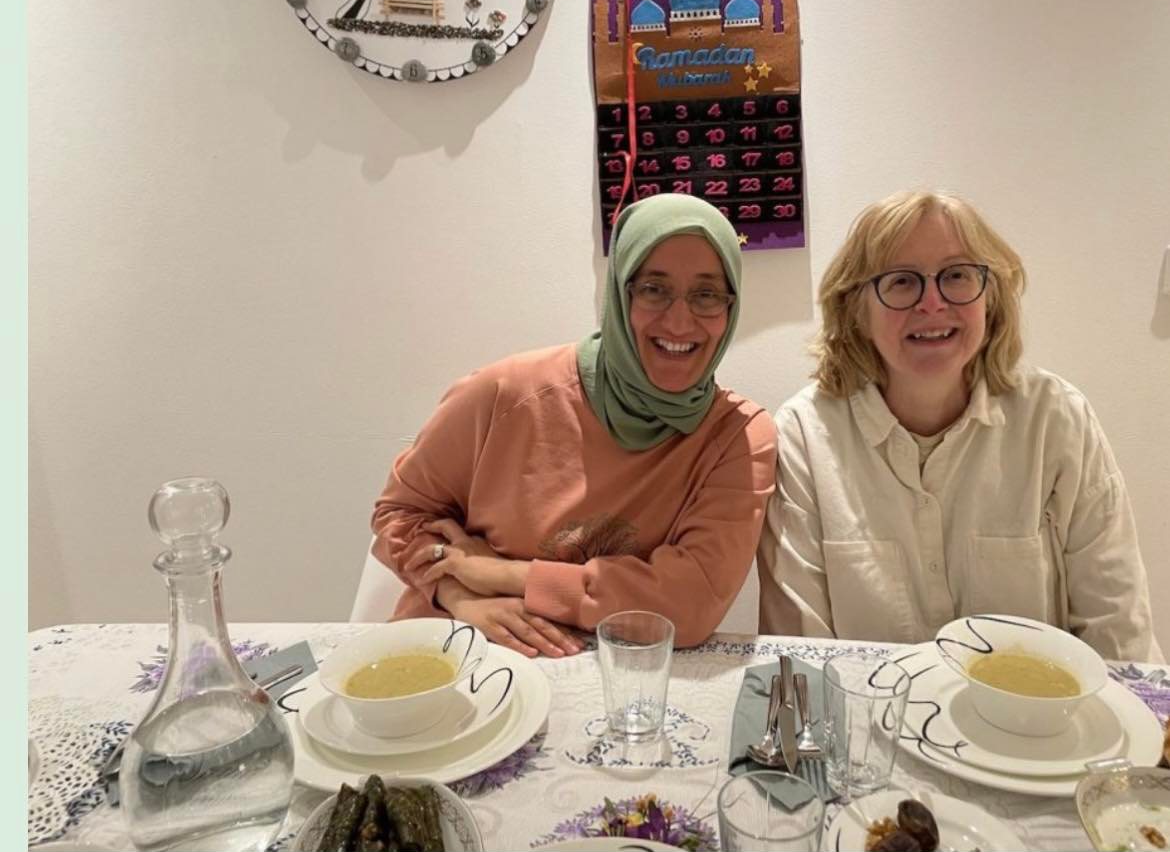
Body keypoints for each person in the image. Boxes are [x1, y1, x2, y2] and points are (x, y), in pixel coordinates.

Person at [757, 190, 1162, 661]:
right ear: (855, 310)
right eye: (901, 281)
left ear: (991, 299)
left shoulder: (1057, 420)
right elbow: (800, 660)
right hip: (863, 709)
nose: (932, 303)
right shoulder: (804, 437)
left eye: (956, 275)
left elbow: (1119, 633)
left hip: (1039, 708)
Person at [371, 193, 776, 656]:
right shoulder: (504, 393)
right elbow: (400, 514)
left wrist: (502, 575)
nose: (680, 321)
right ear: (620, 293)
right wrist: (459, 594)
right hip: (455, 649)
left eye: (706, 295)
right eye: (653, 289)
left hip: (618, 675)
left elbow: (688, 606)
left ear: (730, 308)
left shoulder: (738, 437)